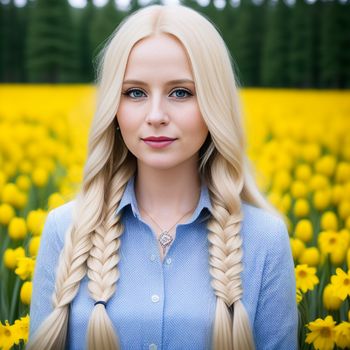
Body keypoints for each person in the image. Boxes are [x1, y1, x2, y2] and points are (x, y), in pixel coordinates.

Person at [27, 4, 298, 350]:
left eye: (180, 92)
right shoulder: (64, 231)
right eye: (135, 92)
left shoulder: (265, 240)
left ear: (214, 103)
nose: (156, 115)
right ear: (114, 106)